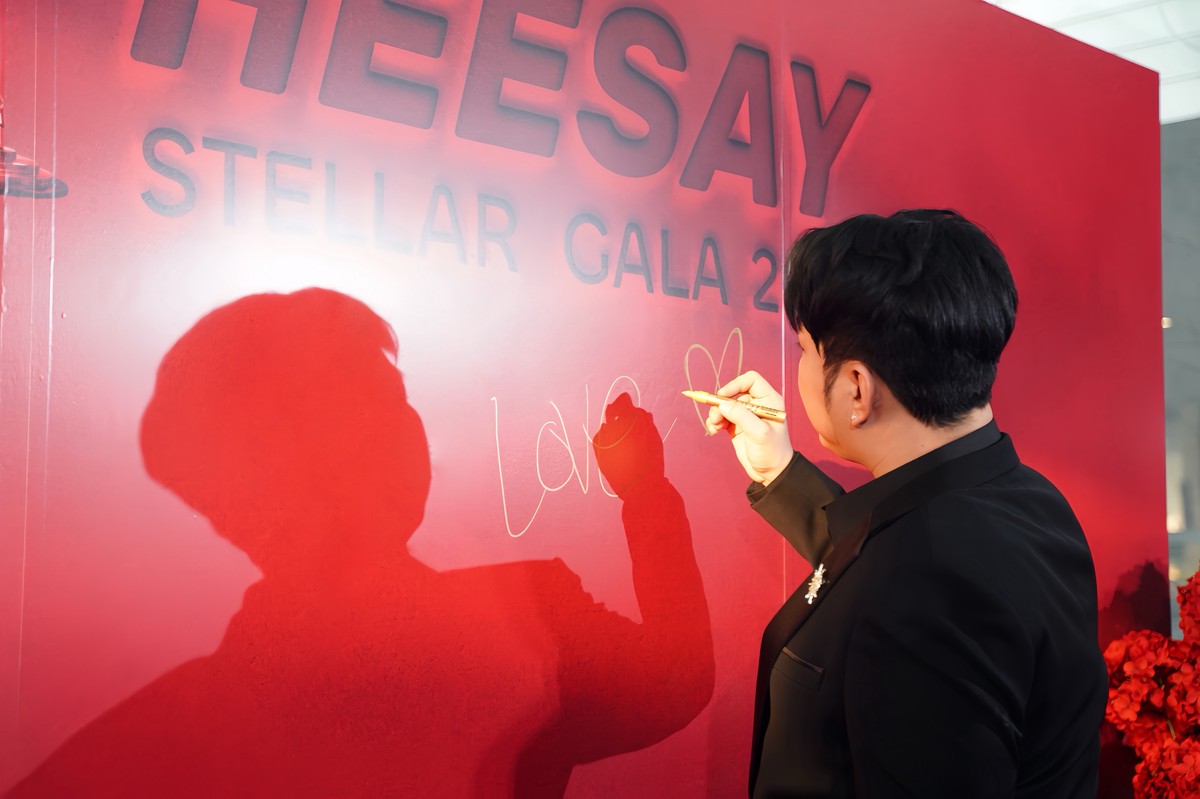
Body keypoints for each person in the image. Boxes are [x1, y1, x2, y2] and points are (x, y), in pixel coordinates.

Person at [6, 288, 713, 798]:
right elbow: (675, 680)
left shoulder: (161, 727)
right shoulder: (528, 618)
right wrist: (645, 492)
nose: (405, 427)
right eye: (376, 403)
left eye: (396, 399)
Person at [703, 210, 1106, 797]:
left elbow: (908, 588)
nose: (799, 368)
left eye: (806, 350)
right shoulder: (1031, 503)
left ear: (857, 389)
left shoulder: (926, 587)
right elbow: (889, 557)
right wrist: (782, 473)